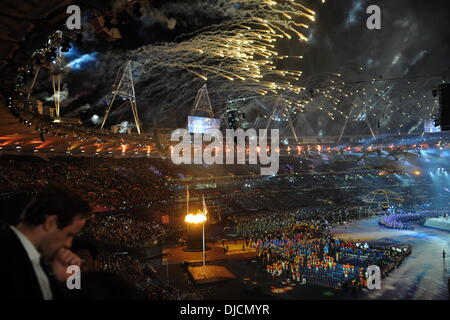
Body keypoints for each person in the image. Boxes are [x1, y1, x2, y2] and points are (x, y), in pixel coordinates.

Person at [0, 184, 92, 300]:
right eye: (69, 235)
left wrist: (67, 282)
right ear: (50, 222)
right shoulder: (6, 256)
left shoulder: (32, 258)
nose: (68, 244)